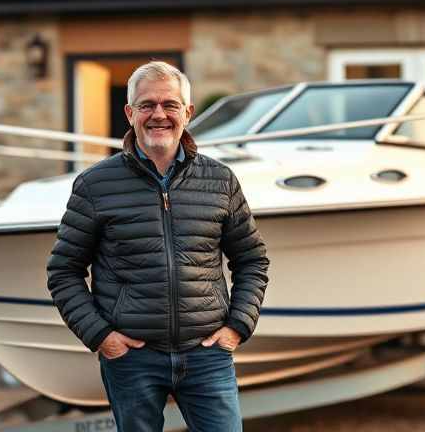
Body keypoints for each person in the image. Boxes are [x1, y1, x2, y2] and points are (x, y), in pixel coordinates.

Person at [46, 61, 269, 431]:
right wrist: (102, 337)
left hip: (207, 355)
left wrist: (237, 327)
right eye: (147, 105)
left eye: (170, 104)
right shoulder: (95, 185)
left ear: (188, 112)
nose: (159, 115)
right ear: (130, 113)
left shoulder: (220, 180)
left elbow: (252, 260)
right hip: (132, 358)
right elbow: (63, 270)